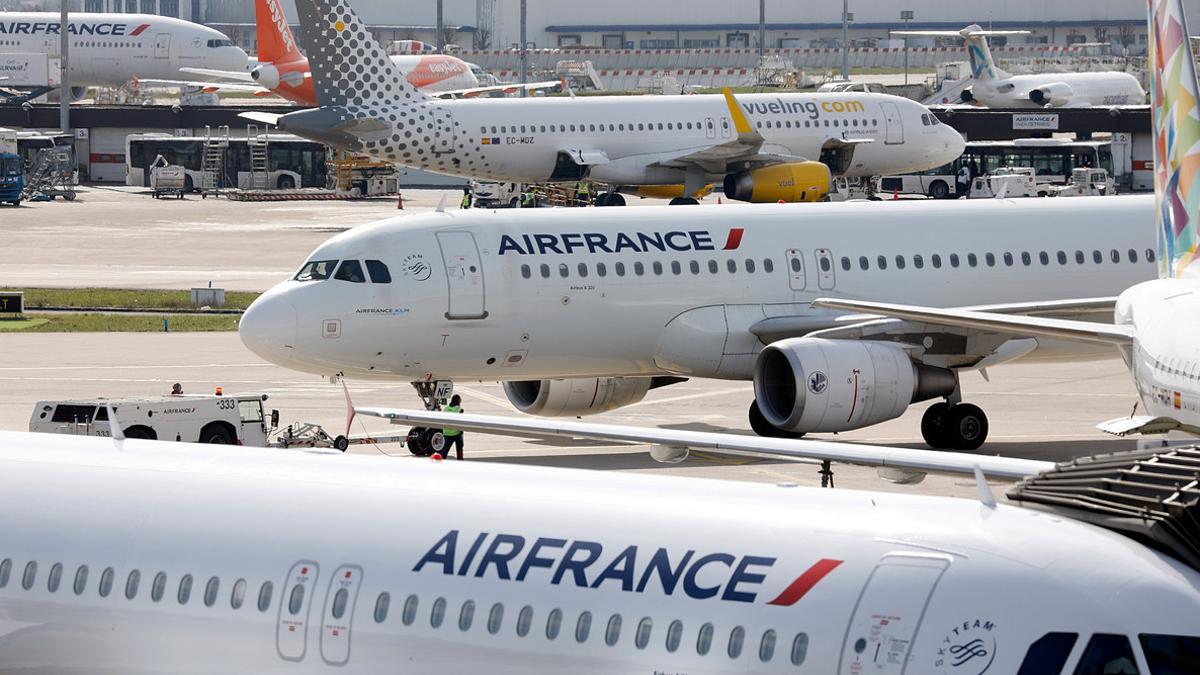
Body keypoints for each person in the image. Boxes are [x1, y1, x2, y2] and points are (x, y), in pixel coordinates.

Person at [441, 394, 465, 460]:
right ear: (458, 401)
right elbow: (461, 422)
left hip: (446, 433)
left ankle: (441, 462)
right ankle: (460, 460)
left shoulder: (446, 408)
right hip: (456, 433)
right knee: (460, 448)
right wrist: (461, 432)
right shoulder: (459, 409)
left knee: (445, 451)